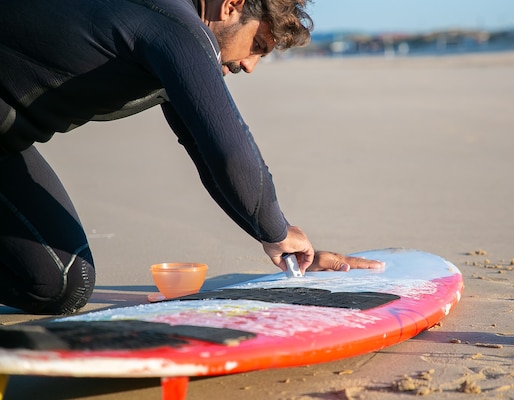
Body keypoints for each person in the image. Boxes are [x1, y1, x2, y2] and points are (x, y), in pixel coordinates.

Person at [0, 0, 383, 315]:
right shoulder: (174, 24)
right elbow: (230, 152)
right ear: (230, 6)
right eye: (258, 46)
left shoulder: (168, 34)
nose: (249, 65)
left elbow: (207, 152)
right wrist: (277, 232)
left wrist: (281, 245)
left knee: (60, 282)